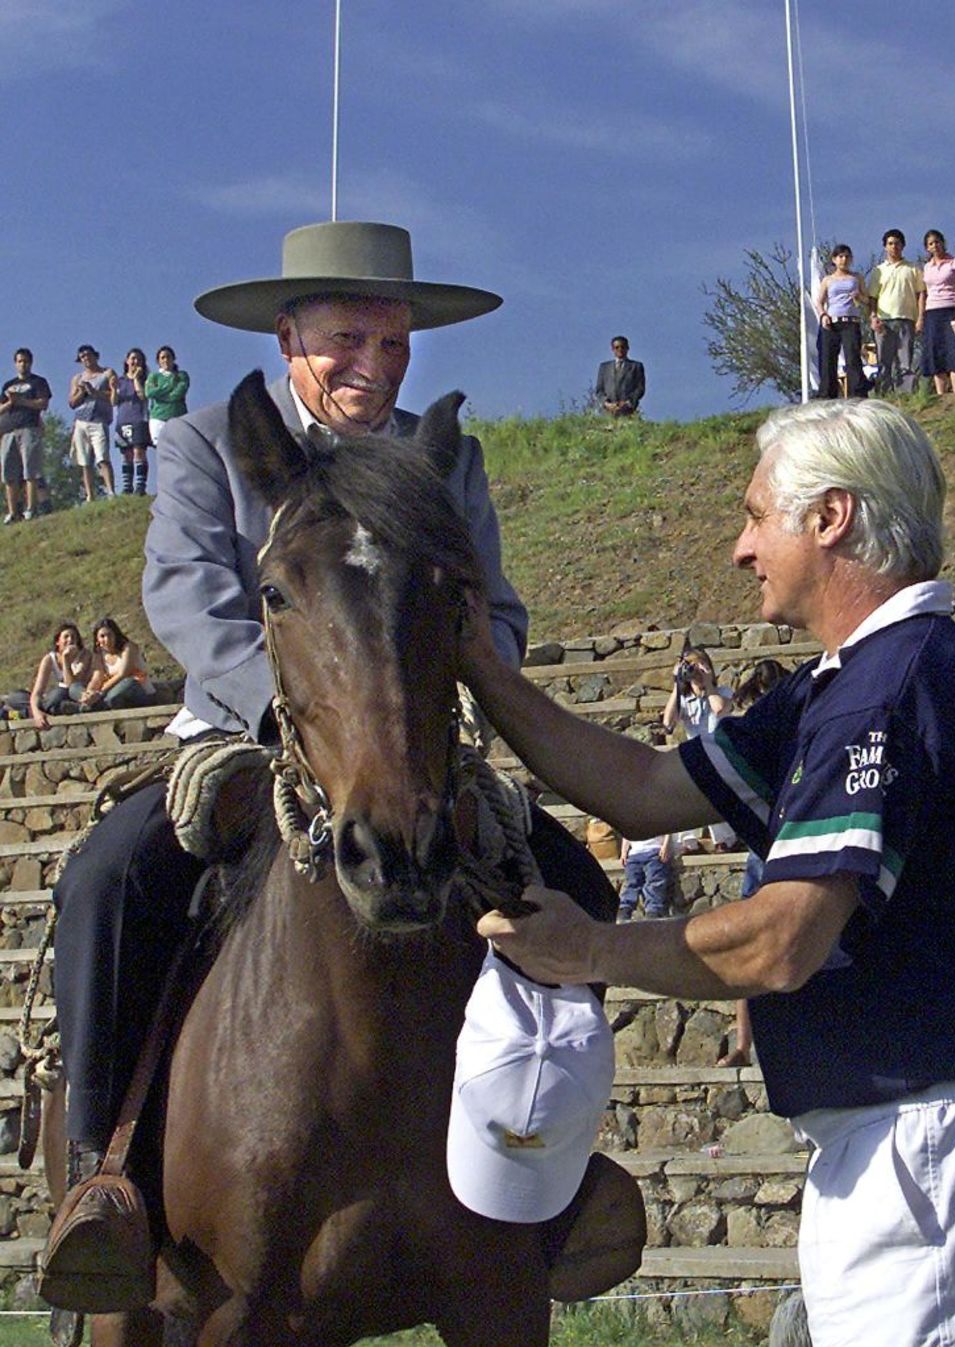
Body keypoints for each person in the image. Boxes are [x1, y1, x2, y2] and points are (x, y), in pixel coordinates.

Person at [462, 398, 955, 1347]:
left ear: (830, 518)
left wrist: (587, 947)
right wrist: (483, 671)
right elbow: (644, 787)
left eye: (757, 516)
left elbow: (783, 938)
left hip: (937, 1138)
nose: (740, 547)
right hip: (909, 1139)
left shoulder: (887, 685)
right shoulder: (845, 680)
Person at [42, 220, 566, 1313]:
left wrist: (455, 676)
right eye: (346, 340)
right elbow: (186, 595)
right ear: (289, 339)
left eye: (393, 341)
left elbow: (498, 611)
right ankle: (104, 1173)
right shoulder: (201, 444)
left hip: (412, 740)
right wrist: (291, 717)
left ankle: (559, 1175)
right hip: (245, 730)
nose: (373, 365)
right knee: (106, 880)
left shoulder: (444, 455)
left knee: (570, 876)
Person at [717, 658, 788, 1069]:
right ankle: (743, 1044)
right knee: (747, 947)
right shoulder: (758, 736)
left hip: (788, 844)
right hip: (761, 849)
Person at [662, 647, 735, 853]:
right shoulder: (684, 700)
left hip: (719, 752)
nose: (695, 672)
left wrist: (709, 684)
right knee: (686, 793)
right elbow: (668, 723)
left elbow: (720, 708)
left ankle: (725, 839)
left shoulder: (723, 693)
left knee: (714, 790)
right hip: (695, 753)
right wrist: (677, 685)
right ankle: (688, 842)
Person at [2, 624, 99, 728]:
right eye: (66, 636)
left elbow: (71, 684)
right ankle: (37, 712)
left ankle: (23, 714)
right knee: (14, 697)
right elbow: (37, 691)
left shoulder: (84, 655)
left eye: (73, 637)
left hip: (73, 695)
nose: (70, 640)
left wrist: (66, 660)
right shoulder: (49, 659)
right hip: (52, 700)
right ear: (58, 642)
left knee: (57, 693)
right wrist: (36, 713)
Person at [917, 230, 955, 395]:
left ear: (943, 242)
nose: (935, 245)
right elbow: (924, 293)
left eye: (937, 241)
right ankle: (940, 394)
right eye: (930, 243)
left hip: (952, 310)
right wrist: (921, 317)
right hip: (932, 312)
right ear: (927, 248)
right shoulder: (927, 267)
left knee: (954, 348)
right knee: (936, 351)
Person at [866, 230, 924, 394]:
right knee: (884, 362)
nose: (894, 247)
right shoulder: (879, 270)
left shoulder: (913, 268)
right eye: (890, 243)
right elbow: (872, 297)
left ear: (903, 245)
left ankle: (905, 395)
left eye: (897, 243)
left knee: (905, 361)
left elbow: (921, 294)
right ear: (885, 247)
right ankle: (884, 395)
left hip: (907, 319)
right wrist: (873, 317)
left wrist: (920, 318)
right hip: (884, 321)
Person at [0, 349, 52, 524]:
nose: (23, 364)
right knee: (9, 474)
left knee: (31, 471)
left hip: (29, 428)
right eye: (20, 361)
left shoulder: (38, 382)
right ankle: (13, 512)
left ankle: (31, 508)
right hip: (8, 431)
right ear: (15, 363)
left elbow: (43, 404)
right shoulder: (8, 385)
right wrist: (10, 403)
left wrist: (21, 401)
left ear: (31, 362)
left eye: (26, 361)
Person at [814, 245, 867, 400]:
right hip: (832, 321)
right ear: (834, 259)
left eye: (847, 256)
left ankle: (856, 393)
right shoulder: (828, 280)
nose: (844, 260)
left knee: (852, 358)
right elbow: (819, 301)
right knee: (828, 359)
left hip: (851, 321)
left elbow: (867, 299)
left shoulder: (856, 278)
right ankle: (826, 395)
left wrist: (858, 297)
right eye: (840, 256)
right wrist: (823, 315)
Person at [77, 617, 159, 712]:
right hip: (112, 693)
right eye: (102, 636)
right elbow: (97, 678)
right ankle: (86, 705)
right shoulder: (98, 654)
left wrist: (99, 693)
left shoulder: (128, 647)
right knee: (75, 688)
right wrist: (89, 693)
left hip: (139, 690)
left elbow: (122, 674)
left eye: (110, 635)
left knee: (127, 684)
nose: (107, 639)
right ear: (97, 639)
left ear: (116, 635)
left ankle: (91, 706)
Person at [68, 345, 117, 502]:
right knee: (84, 461)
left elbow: (115, 395)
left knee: (102, 457)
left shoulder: (107, 373)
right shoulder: (77, 378)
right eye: (82, 357)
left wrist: (95, 392)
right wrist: (82, 392)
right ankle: (90, 495)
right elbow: (72, 402)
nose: (85, 358)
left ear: (95, 356)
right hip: (81, 420)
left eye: (88, 355)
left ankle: (110, 491)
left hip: (99, 419)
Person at [112, 349, 152, 495]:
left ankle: (140, 486)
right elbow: (114, 401)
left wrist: (136, 379)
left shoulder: (146, 379)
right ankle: (127, 486)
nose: (135, 362)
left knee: (139, 452)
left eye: (138, 359)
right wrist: (112, 388)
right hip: (122, 419)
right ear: (127, 360)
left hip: (139, 419)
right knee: (126, 453)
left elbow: (143, 396)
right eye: (133, 358)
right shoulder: (120, 381)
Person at [617, 833, 672, 922]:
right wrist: (624, 852)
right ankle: (625, 910)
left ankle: (653, 911)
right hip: (634, 854)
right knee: (631, 884)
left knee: (654, 884)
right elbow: (626, 834)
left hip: (655, 850)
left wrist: (665, 846)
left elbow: (668, 830)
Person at [144, 345, 189, 446]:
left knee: (179, 447)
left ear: (173, 359)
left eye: (168, 357)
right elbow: (149, 393)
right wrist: (169, 386)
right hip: (158, 417)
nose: (166, 360)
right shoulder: (154, 376)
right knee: (161, 447)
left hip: (178, 416)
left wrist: (161, 394)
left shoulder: (181, 375)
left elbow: (178, 394)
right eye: (162, 357)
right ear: (158, 361)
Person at [595, 336, 645, 417]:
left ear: (627, 348)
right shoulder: (604, 367)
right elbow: (599, 390)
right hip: (607, 412)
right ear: (612, 349)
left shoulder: (636, 366)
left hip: (628, 411)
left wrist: (628, 402)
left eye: (622, 347)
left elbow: (640, 389)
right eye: (616, 347)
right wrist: (606, 403)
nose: (620, 349)